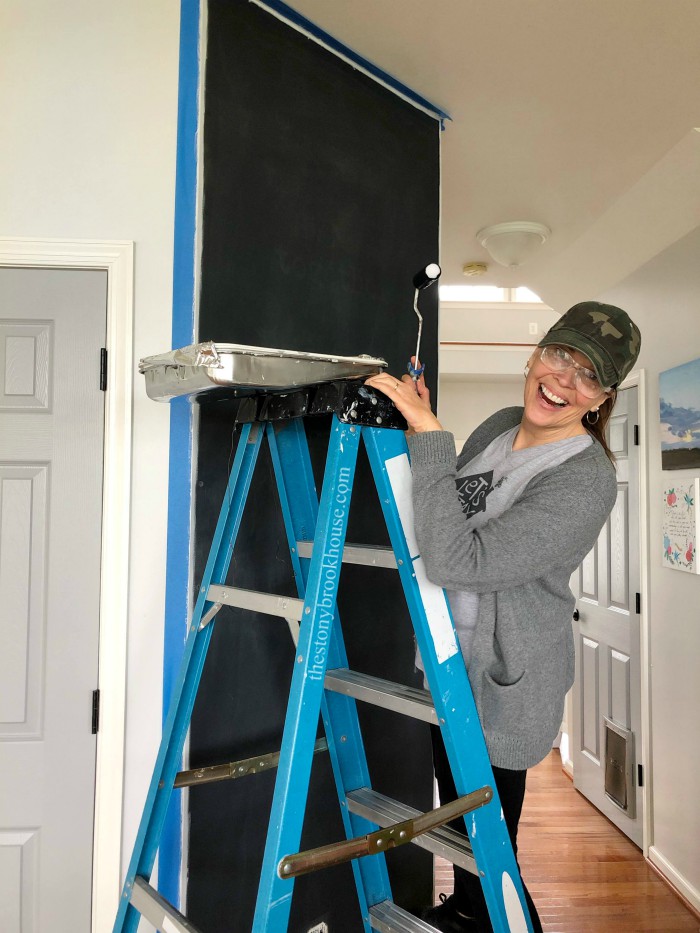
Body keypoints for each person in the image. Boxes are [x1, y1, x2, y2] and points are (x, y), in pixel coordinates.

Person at [365, 301, 642, 933]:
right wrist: (420, 436)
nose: (563, 381)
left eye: (589, 376)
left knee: (493, 853)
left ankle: (489, 917)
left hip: (506, 681)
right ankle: (466, 912)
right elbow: (446, 513)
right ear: (535, 353)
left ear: (602, 398)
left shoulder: (585, 478)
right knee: (461, 832)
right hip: (447, 656)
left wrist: (430, 436)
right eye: (559, 356)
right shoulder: (499, 423)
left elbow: (459, 560)